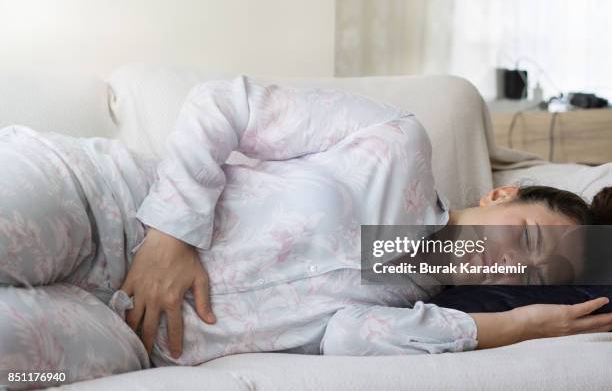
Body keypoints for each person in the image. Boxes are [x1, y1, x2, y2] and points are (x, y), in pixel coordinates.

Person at [1, 76, 611, 386]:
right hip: (101, 205)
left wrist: (527, 323)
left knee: (15, 364)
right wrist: (171, 234)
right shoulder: (398, 144)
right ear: (500, 194)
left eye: (534, 274)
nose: (511, 263)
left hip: (129, 336)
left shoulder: (409, 303)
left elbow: (348, 342)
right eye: (527, 237)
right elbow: (225, 104)